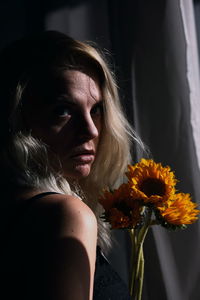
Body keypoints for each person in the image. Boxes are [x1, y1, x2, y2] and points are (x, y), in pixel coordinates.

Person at [0, 31, 143, 299]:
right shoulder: (65, 214)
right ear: (16, 119)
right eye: (63, 110)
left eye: (96, 110)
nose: (91, 131)